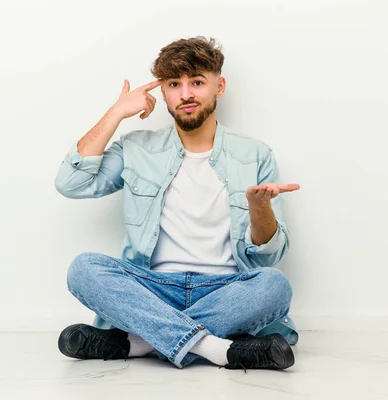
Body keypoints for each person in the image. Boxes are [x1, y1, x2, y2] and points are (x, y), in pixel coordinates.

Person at [54, 36, 300, 371]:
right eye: (174, 84)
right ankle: (220, 350)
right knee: (84, 269)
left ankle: (137, 343)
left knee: (274, 285)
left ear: (219, 86)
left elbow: (270, 256)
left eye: (197, 82)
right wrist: (117, 112)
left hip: (225, 290)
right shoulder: (136, 148)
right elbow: (72, 183)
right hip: (153, 288)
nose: (185, 94)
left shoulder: (255, 154)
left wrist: (260, 209)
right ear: (164, 91)